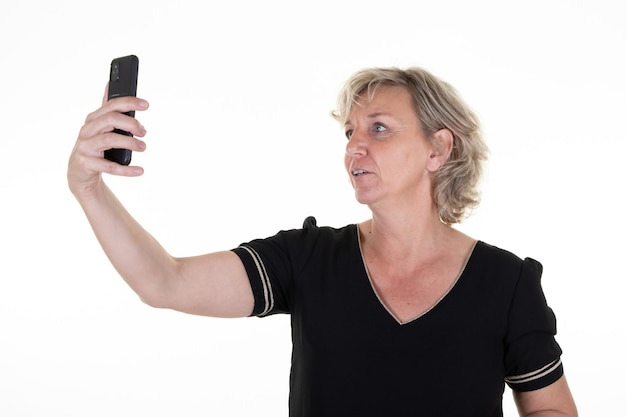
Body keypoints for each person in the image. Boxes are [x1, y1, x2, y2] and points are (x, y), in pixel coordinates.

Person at [68, 66, 578, 416]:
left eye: (379, 129)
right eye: (350, 132)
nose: (355, 145)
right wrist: (87, 188)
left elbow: (551, 406)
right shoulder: (308, 260)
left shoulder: (506, 282)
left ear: (437, 148)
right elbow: (166, 282)